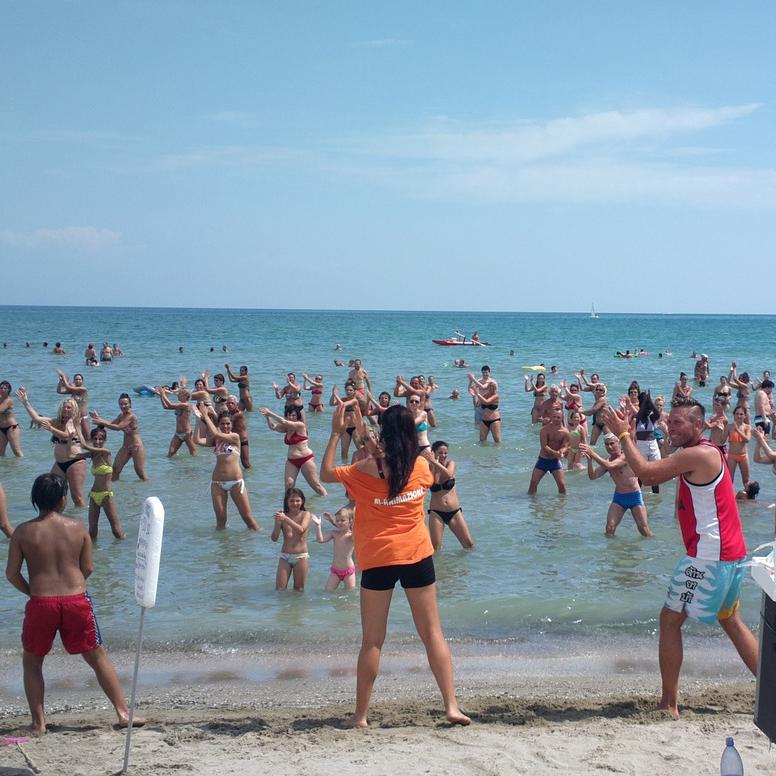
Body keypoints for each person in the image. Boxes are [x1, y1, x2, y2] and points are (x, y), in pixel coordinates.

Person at [602, 398, 758, 719]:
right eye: (668, 422)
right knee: (731, 621)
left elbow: (646, 474)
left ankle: (669, 704)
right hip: (730, 552)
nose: (669, 427)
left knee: (670, 619)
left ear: (697, 426)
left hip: (709, 556)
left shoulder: (696, 454)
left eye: (677, 423)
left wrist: (624, 435)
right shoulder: (705, 451)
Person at [319, 403, 470, 729]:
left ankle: (361, 716)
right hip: (417, 556)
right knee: (432, 634)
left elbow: (325, 473)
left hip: (378, 560)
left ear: (384, 434)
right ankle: (452, 707)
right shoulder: (421, 467)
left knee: (373, 641)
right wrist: (367, 437)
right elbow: (399, 465)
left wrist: (336, 433)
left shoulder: (363, 470)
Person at [5, 473, 144, 735]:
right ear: (63, 500)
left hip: (41, 602)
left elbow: (12, 574)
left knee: (33, 662)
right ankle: (123, 713)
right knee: (97, 655)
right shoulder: (77, 527)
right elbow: (88, 567)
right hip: (76, 599)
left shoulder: (23, 531)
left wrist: (33, 592)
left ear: (36, 499)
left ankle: (38, 724)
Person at [17, 388, 87, 506]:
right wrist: (25, 402)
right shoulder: (57, 422)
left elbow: (66, 436)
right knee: (53, 493)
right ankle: (59, 517)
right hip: (59, 463)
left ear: (74, 409)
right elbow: (37, 419)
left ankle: (81, 521)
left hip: (74, 461)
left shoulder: (75, 422)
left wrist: (51, 429)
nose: (66, 409)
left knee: (77, 498)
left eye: (69, 407)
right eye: (64, 407)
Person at [196, 405, 259, 530]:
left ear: (232, 424)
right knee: (220, 522)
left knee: (248, 519)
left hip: (236, 482)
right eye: (223, 424)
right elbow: (196, 440)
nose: (225, 426)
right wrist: (198, 420)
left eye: (228, 424)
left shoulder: (235, 437)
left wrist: (206, 415)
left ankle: (259, 541)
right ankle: (223, 548)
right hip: (217, 483)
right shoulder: (216, 440)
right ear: (219, 425)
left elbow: (214, 432)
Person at [581, 437, 652, 537]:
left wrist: (593, 453)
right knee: (610, 527)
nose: (609, 447)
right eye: (606, 444)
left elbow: (610, 465)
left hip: (634, 496)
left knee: (643, 529)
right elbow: (592, 476)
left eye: (612, 443)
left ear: (619, 443)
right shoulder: (608, 460)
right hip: (619, 498)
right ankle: (611, 551)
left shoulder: (626, 456)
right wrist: (590, 459)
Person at [260, 406, 327, 495]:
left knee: (316, 486)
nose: (291, 417)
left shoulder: (300, 425)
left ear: (297, 417)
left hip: (305, 459)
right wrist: (267, 417)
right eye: (288, 415)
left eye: (293, 415)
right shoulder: (286, 428)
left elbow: (284, 421)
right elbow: (273, 426)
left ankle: (326, 500)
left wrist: (270, 413)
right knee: (289, 485)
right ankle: (288, 507)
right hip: (291, 461)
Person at [77, 427, 125, 540]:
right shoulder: (92, 455)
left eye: (101, 439)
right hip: (93, 495)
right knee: (92, 530)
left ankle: (125, 549)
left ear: (105, 440)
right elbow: (71, 456)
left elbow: (84, 445)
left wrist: (78, 427)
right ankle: (92, 553)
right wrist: (69, 439)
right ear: (92, 439)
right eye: (95, 438)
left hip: (106, 495)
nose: (98, 441)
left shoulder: (106, 452)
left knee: (116, 531)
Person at [90, 393, 148, 481]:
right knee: (115, 469)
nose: (123, 406)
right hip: (125, 447)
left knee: (140, 472)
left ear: (130, 404)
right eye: (121, 404)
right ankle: (113, 489)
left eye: (125, 404)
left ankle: (147, 489)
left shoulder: (132, 417)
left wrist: (101, 421)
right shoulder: (121, 416)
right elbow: (111, 424)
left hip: (137, 447)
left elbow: (118, 427)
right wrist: (99, 419)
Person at [428, 440, 473, 550]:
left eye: (445, 453)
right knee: (436, 548)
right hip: (436, 513)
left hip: (454, 512)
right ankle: (441, 567)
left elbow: (448, 474)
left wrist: (435, 462)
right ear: (433, 453)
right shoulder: (429, 467)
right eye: (440, 453)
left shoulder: (451, 463)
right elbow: (433, 482)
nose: (443, 455)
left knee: (468, 545)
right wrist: (433, 464)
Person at [271, 487, 313, 592]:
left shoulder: (306, 514)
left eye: (298, 500)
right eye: (291, 501)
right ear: (287, 502)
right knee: (280, 589)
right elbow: (274, 538)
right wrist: (277, 523)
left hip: (301, 556)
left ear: (302, 501)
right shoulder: (283, 517)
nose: (295, 503)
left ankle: (298, 609)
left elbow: (301, 530)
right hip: (285, 556)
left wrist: (285, 519)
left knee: (299, 589)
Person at [527, 409, 569, 495]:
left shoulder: (565, 432)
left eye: (558, 417)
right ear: (551, 417)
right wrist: (556, 453)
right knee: (533, 484)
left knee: (562, 485)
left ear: (562, 418)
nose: (556, 419)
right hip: (543, 460)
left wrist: (561, 452)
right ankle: (532, 504)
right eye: (554, 417)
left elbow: (565, 446)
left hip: (555, 461)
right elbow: (544, 446)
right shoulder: (545, 430)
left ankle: (562, 505)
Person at [315, 506, 356, 592]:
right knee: (327, 591)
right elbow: (320, 540)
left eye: (342, 520)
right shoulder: (334, 534)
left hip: (348, 571)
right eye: (337, 521)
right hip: (335, 571)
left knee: (350, 594)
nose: (339, 523)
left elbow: (358, 532)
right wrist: (318, 526)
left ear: (350, 521)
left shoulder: (351, 536)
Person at [156, 385, 197, 457]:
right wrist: (161, 396)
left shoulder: (186, 405)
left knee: (193, 454)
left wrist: (163, 394)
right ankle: (176, 466)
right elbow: (166, 407)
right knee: (170, 454)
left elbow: (170, 404)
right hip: (178, 434)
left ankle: (195, 467)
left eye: (179, 393)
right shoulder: (179, 404)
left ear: (185, 396)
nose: (177, 394)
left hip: (187, 434)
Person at [56, 371, 90, 437]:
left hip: (83, 418)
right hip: (74, 418)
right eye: (76, 379)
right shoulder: (73, 391)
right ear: (74, 381)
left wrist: (63, 376)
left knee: (87, 438)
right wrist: (60, 381)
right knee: (74, 437)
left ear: (82, 381)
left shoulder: (83, 389)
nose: (78, 381)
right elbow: (59, 391)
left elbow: (68, 387)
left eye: (79, 379)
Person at [726, 406, 751, 488]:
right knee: (729, 480)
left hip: (743, 456)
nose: (739, 416)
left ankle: (749, 499)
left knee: (746, 481)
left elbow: (747, 439)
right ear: (734, 415)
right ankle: (730, 499)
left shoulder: (747, 427)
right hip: (732, 456)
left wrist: (737, 430)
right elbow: (722, 440)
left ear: (745, 416)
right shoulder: (729, 427)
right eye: (737, 414)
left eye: (741, 414)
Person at [225, 394, 251, 469]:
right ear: (226, 404)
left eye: (232, 403)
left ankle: (250, 478)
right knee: (229, 462)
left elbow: (229, 421)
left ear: (236, 404)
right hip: (232, 441)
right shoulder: (228, 413)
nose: (230, 405)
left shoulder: (239, 414)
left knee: (245, 463)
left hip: (242, 441)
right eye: (228, 403)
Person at [0, 380, 23, 457]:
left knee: (16, 451)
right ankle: (4, 469)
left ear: (8, 390)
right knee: (0, 453)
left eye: (5, 388)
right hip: (1, 429)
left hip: (12, 428)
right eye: (1, 388)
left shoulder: (8, 400)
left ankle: (22, 467)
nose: (2, 389)